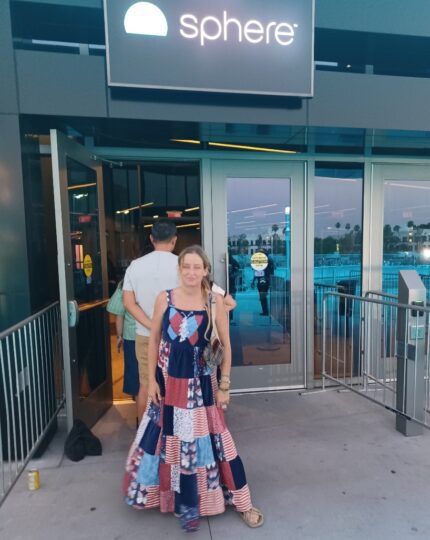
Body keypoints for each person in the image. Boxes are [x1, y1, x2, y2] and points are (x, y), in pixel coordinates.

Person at [123, 245, 264, 532]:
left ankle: (240, 500)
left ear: (206, 270)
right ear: (179, 269)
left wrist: (225, 385)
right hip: (168, 384)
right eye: (185, 266)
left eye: (196, 267)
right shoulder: (165, 298)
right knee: (167, 441)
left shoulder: (215, 301)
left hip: (202, 387)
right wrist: (150, 382)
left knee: (215, 441)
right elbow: (153, 341)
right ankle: (178, 500)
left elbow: (224, 345)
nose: (190, 272)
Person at [123, 219, 179, 421]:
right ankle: (172, 435)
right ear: (174, 240)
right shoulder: (182, 265)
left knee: (146, 384)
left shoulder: (135, 266)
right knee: (176, 384)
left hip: (144, 335)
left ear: (151, 239)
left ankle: (143, 436)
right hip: (176, 336)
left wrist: (150, 325)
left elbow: (128, 303)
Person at [106, 279, 139, 404]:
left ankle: (140, 415)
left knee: (135, 375)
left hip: (132, 336)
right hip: (157, 335)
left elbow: (119, 314)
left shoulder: (126, 283)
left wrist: (119, 336)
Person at [251, 249, 274, 316]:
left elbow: (257, 271)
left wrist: (253, 281)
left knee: (262, 296)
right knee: (263, 296)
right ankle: (265, 311)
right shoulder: (269, 260)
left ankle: (265, 311)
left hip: (263, 280)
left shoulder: (264, 261)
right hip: (265, 280)